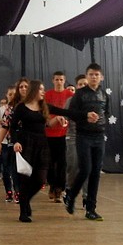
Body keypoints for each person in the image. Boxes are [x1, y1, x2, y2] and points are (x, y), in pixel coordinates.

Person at [63, 63, 107, 221]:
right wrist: (86, 117)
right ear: (87, 76)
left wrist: (100, 121)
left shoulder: (104, 95)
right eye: (91, 74)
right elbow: (72, 114)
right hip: (83, 136)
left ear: (101, 77)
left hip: (99, 137)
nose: (94, 77)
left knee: (96, 172)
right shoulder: (80, 94)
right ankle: (71, 196)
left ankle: (91, 209)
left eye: (96, 74)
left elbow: (106, 113)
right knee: (85, 169)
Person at [11, 80, 59, 222]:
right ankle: (23, 212)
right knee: (25, 179)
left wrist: (84, 115)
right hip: (26, 144)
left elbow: (64, 112)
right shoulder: (21, 107)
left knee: (40, 180)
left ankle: (25, 201)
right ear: (34, 90)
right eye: (41, 89)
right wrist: (16, 142)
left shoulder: (44, 106)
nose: (44, 92)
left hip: (42, 144)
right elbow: (13, 127)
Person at [0, 77, 29, 204]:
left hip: (31, 140)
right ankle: (17, 191)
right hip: (14, 141)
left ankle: (24, 190)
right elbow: (5, 125)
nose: (23, 89)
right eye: (21, 87)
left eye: (26, 87)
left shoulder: (35, 103)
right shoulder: (11, 107)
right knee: (13, 167)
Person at [45, 71, 73, 203]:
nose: (59, 82)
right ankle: (52, 185)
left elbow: (73, 113)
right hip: (49, 134)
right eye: (56, 79)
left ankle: (59, 189)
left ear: (64, 80)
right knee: (49, 162)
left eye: (61, 79)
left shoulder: (70, 95)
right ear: (53, 80)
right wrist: (53, 120)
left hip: (64, 134)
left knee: (62, 163)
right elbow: (44, 112)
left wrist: (66, 120)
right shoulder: (47, 95)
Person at [0, 86, 17, 202]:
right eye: (10, 94)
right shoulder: (1, 110)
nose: (12, 96)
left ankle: (17, 191)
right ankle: (8, 191)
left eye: (14, 94)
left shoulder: (20, 108)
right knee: (6, 168)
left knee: (16, 168)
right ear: (6, 95)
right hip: (5, 142)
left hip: (15, 142)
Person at [65, 74, 88, 207]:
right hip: (72, 137)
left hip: (88, 137)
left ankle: (86, 197)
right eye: (80, 84)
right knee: (73, 166)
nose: (83, 86)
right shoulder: (70, 101)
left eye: (85, 84)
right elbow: (65, 117)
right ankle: (69, 190)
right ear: (76, 86)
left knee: (87, 168)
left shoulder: (93, 100)